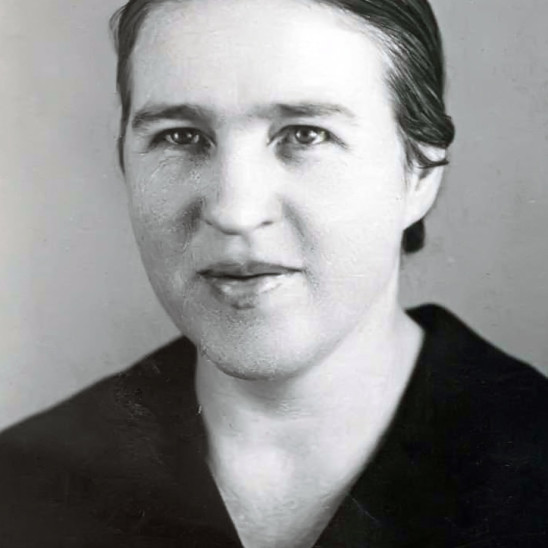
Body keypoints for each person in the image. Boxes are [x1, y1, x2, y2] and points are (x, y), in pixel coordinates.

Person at [0, 0, 547, 546]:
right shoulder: (21, 489)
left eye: (305, 134)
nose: (234, 211)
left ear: (420, 174)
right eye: (180, 136)